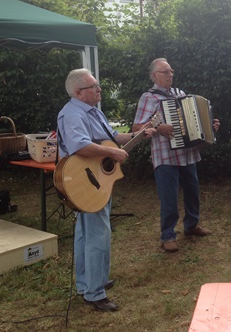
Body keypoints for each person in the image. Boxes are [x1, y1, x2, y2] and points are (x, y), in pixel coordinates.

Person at [57, 68, 154, 311]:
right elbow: (79, 145)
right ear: (79, 93)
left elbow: (111, 137)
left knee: (85, 234)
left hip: (98, 179)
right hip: (83, 182)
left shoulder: (93, 112)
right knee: (97, 234)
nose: (99, 89)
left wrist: (138, 135)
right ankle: (94, 293)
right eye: (94, 87)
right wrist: (111, 152)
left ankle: (89, 282)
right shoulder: (72, 114)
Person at [133, 58, 219, 253]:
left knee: (192, 191)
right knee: (169, 196)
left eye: (171, 71)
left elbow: (194, 121)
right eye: (165, 72)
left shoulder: (181, 94)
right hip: (165, 156)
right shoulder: (149, 98)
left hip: (187, 154)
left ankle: (191, 225)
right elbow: (137, 127)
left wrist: (209, 127)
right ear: (155, 76)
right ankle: (168, 236)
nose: (170, 75)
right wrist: (158, 126)